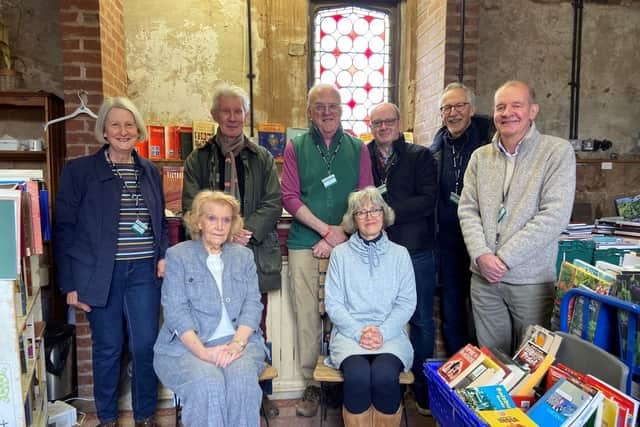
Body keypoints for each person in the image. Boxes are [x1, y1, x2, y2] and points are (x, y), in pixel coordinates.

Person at [53, 97, 168, 427]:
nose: (123, 130)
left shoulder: (149, 171)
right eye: (115, 124)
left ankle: (145, 416)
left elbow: (159, 220)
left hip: (144, 272)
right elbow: (65, 229)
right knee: (108, 348)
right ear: (103, 129)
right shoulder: (80, 171)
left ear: (138, 130)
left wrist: (161, 255)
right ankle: (107, 418)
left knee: (145, 346)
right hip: (99, 274)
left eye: (129, 124)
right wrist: (70, 285)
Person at [181, 83, 281, 417]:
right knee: (211, 323)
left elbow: (273, 201)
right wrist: (218, 234)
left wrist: (242, 231)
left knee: (252, 326)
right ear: (214, 115)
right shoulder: (198, 158)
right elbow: (189, 206)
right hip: (208, 258)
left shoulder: (263, 157)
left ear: (246, 116)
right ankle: (217, 393)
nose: (233, 117)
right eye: (226, 111)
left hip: (251, 254)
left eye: (238, 111)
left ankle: (254, 393)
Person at [457, 80, 576, 354]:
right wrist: (482, 256)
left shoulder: (555, 153)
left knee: (530, 364)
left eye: (516, 105)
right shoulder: (480, 157)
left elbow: (554, 215)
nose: (507, 112)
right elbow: (467, 209)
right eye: (500, 107)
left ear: (533, 111)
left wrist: (504, 258)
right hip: (484, 279)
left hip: (530, 281)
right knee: (492, 361)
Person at [281, 83, 374, 416]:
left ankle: (340, 382)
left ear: (341, 110)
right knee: (307, 318)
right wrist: (325, 231)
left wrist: (342, 233)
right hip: (305, 243)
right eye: (319, 106)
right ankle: (312, 385)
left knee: (345, 314)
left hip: (349, 244)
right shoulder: (296, 147)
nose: (326, 112)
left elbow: (365, 196)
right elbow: (289, 197)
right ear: (309, 111)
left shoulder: (357, 148)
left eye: (332, 106)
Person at [153, 190, 266, 427]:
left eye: (226, 220)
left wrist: (236, 345)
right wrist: (205, 354)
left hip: (239, 342)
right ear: (198, 221)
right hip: (188, 346)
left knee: (242, 380)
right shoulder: (178, 255)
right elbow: (176, 311)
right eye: (212, 218)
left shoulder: (243, 256)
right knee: (208, 383)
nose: (219, 226)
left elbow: (253, 306)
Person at [325, 187, 416, 426]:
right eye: (361, 212)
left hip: (391, 335)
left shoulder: (400, 254)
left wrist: (382, 332)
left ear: (384, 214)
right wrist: (359, 332)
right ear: (353, 219)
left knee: (385, 376)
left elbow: (406, 302)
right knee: (358, 376)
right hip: (349, 335)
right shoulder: (340, 255)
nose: (369, 216)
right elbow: (334, 304)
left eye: (375, 209)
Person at [367, 102, 437, 415]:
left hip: (415, 250)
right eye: (377, 122)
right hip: (376, 251)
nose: (383, 127)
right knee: (378, 315)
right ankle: (383, 383)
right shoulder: (362, 154)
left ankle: (421, 389)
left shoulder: (419, 156)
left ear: (399, 122)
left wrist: (387, 213)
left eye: (388, 121)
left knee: (421, 319)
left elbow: (427, 200)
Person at [429, 82, 494, 356]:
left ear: (472, 109)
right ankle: (459, 375)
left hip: (485, 242)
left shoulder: (489, 143)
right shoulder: (436, 148)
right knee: (453, 311)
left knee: (487, 315)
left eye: (459, 106)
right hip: (449, 243)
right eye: (447, 108)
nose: (453, 113)